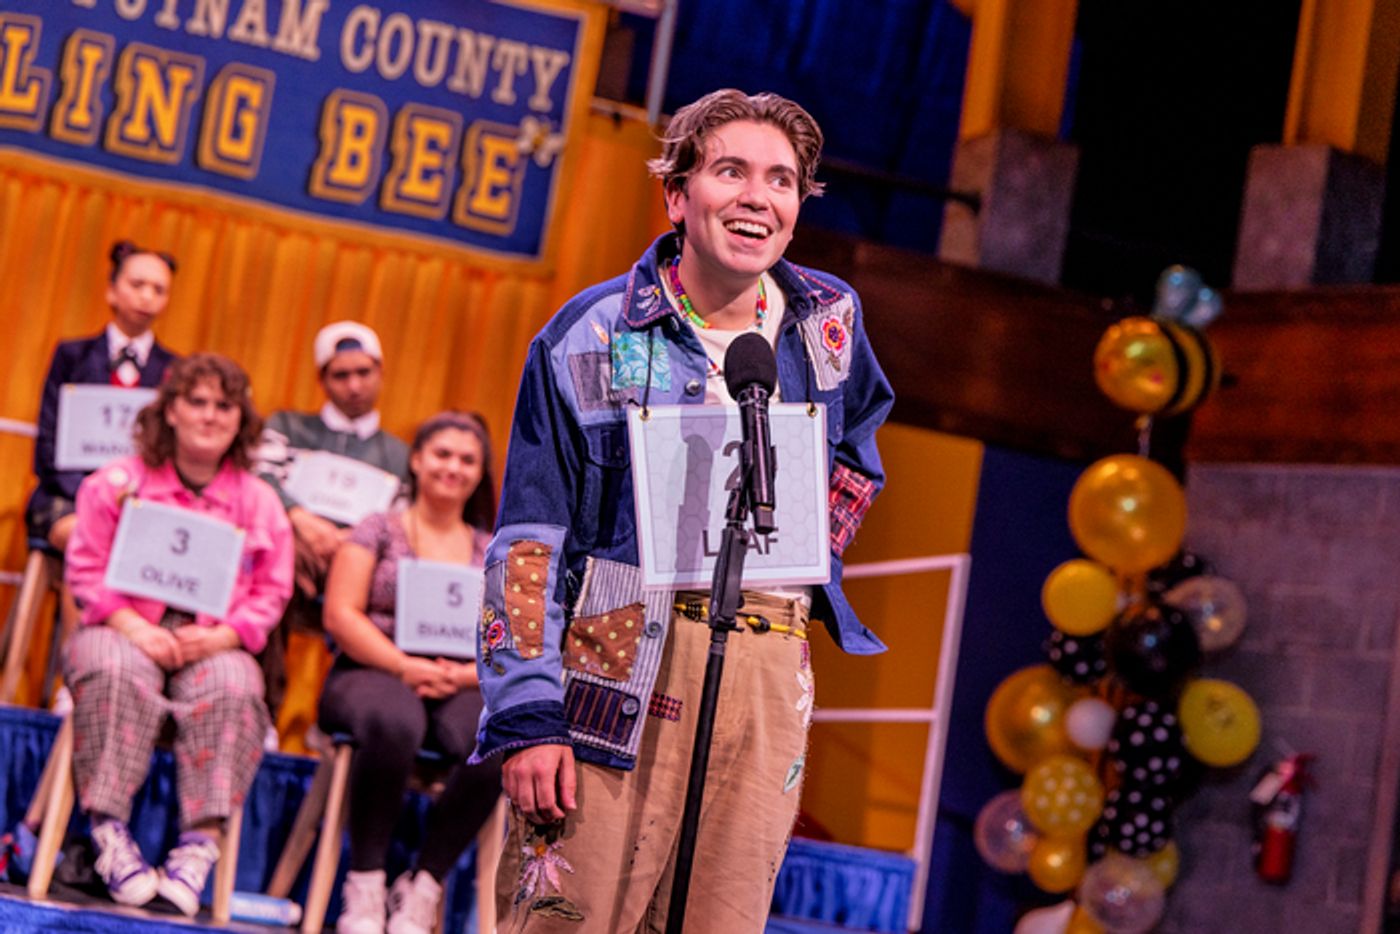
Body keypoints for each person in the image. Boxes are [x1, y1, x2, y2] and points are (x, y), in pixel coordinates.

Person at [474, 89, 894, 932]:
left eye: (781, 180)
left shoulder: (828, 321)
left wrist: (802, 554)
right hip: (617, 665)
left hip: (768, 670)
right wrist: (524, 706)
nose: (757, 197)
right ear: (677, 195)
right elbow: (530, 535)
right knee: (568, 915)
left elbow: (857, 455)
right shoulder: (590, 335)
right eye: (731, 170)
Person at [61, 353, 294, 916]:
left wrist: (223, 637)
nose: (210, 416)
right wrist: (134, 626)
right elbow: (86, 572)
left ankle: (198, 845)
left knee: (238, 688)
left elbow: (272, 592)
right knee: (113, 671)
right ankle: (108, 834)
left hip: (214, 642)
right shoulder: (115, 482)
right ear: (169, 411)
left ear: (241, 421)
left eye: (224, 405)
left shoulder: (260, 502)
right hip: (124, 627)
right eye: (197, 402)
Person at [319, 412, 502, 934]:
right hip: (372, 669)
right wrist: (404, 665)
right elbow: (341, 614)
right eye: (442, 454)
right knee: (397, 723)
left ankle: (423, 886)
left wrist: (463, 676)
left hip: (459, 679)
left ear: (479, 472)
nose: (453, 468)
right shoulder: (376, 528)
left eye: (467, 460)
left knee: (495, 737)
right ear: (417, 460)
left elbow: (506, 638)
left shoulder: (492, 551)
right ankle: (366, 884)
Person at [256, 321, 410, 750]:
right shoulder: (287, 425)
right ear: (322, 379)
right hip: (290, 553)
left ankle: (335, 717)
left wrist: (347, 546)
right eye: (341, 375)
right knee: (275, 568)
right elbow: (259, 477)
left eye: (363, 372)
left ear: (380, 372)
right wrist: (301, 521)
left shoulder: (400, 455)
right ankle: (263, 713)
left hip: (359, 568)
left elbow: (400, 523)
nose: (354, 385)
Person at [28, 240, 179, 552]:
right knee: (91, 537)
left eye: (159, 289)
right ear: (112, 289)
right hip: (66, 495)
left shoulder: (177, 372)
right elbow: (48, 442)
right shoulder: (72, 355)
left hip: (142, 503)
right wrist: (95, 495)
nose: (147, 296)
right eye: (137, 284)